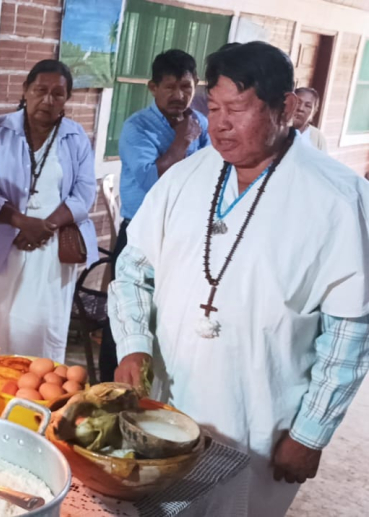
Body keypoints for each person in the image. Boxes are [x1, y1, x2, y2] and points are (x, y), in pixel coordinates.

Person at [108, 41, 369, 516]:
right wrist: (132, 342)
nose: (220, 123)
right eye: (214, 108)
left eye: (237, 109)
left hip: (260, 418)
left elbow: (349, 328)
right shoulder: (186, 177)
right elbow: (132, 268)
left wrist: (312, 430)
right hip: (168, 402)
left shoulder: (337, 199)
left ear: (285, 107)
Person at [0, 60, 97, 362]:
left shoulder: (75, 138)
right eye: (40, 90)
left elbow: (84, 194)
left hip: (49, 247)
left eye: (58, 94)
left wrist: (44, 226)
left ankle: (31, 404)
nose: (48, 100)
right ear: (26, 90)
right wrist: (21, 223)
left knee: (35, 334)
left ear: (67, 98)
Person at [117, 49, 210, 257]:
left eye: (186, 87)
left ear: (196, 82)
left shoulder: (200, 123)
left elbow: (211, 175)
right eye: (169, 87)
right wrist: (182, 141)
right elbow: (151, 181)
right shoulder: (137, 127)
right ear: (153, 87)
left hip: (183, 231)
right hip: (141, 230)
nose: (178, 96)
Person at [293, 87, 328, 152]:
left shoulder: (318, 138)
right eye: (298, 102)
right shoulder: (276, 132)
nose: (301, 108)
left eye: (308, 106)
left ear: (314, 112)